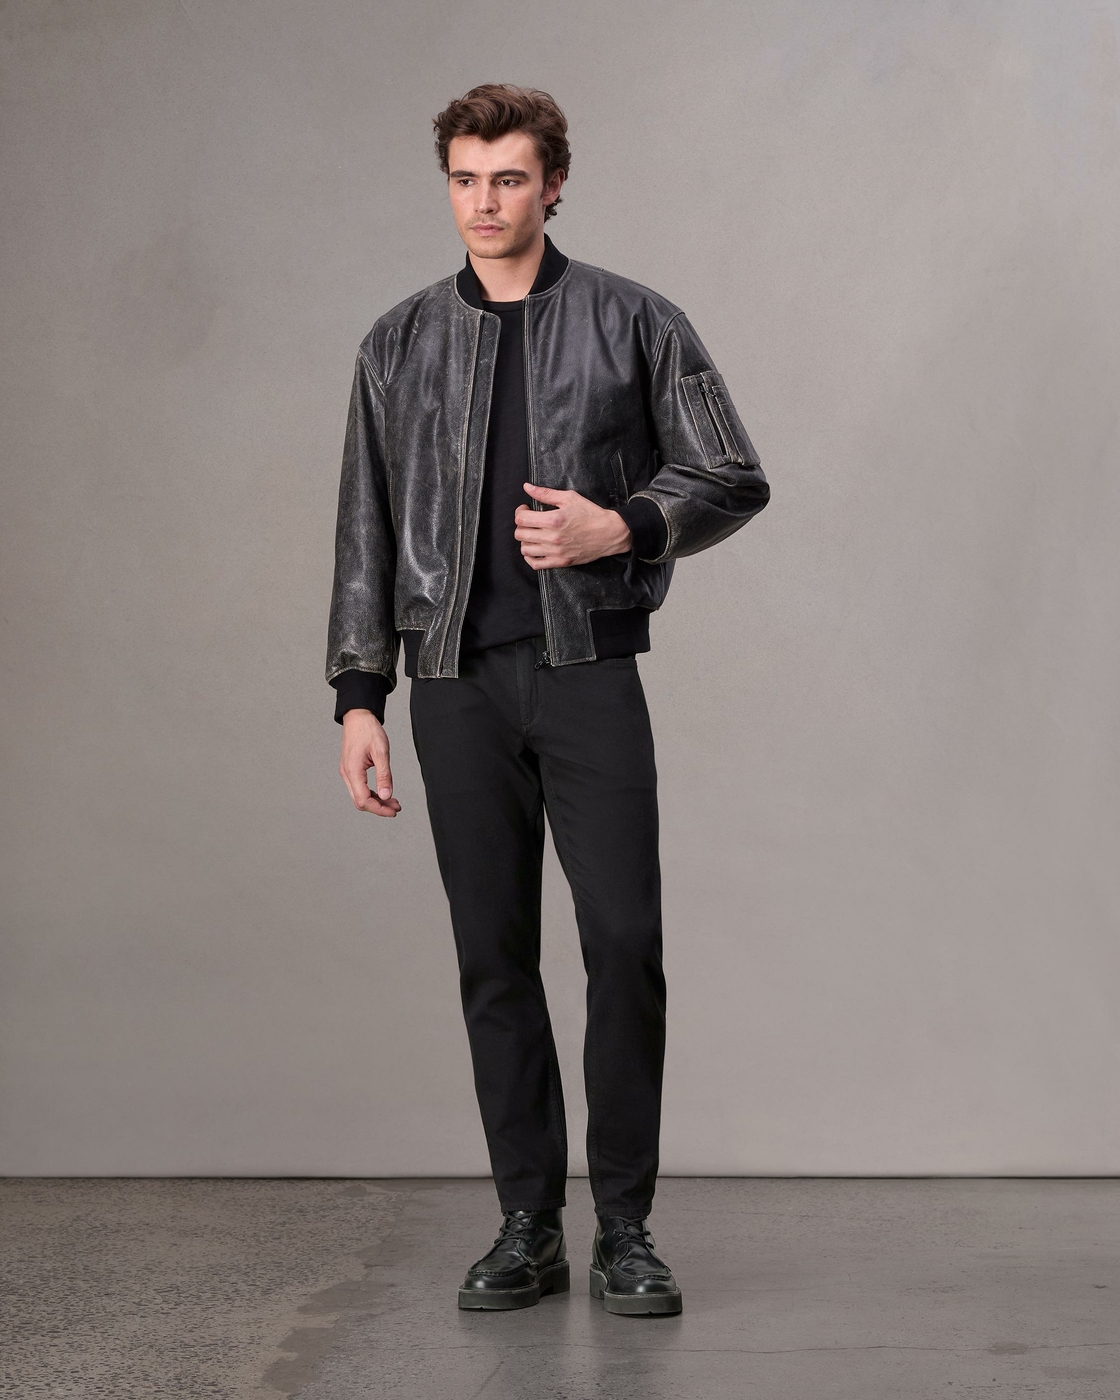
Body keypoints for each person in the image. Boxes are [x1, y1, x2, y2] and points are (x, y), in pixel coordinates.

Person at [326, 83, 769, 1316]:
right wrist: (359, 696)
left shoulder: (633, 319)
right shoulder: (397, 342)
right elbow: (365, 526)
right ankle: (527, 1221)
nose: (484, 202)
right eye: (465, 179)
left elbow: (731, 471)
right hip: (452, 685)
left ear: (553, 184)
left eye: (508, 178)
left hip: (587, 673)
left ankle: (625, 1225)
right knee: (492, 955)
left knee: (623, 941)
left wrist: (618, 524)